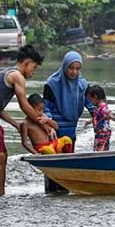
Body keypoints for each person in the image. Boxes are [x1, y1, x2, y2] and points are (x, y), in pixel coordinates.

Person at [0, 45, 57, 195]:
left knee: (3, 156)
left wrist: (16, 124)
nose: (33, 72)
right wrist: (43, 121)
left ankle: (1, 193)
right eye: (34, 67)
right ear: (27, 62)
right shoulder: (17, 76)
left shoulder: (8, 73)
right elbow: (24, 106)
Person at [43, 51, 95, 192]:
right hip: (55, 129)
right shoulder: (52, 84)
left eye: (77, 69)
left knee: (67, 162)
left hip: (71, 129)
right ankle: (51, 193)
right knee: (53, 164)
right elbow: (46, 107)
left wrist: (100, 117)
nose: (74, 72)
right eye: (71, 68)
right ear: (64, 66)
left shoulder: (83, 85)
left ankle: (65, 192)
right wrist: (49, 125)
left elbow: (91, 105)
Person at [84, 85, 115, 152]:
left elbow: (108, 112)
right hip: (99, 133)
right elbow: (97, 117)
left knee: (100, 151)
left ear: (95, 97)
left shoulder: (102, 106)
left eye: (90, 99)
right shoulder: (97, 107)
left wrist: (112, 117)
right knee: (100, 149)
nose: (90, 102)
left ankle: (100, 160)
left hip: (103, 134)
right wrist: (89, 121)